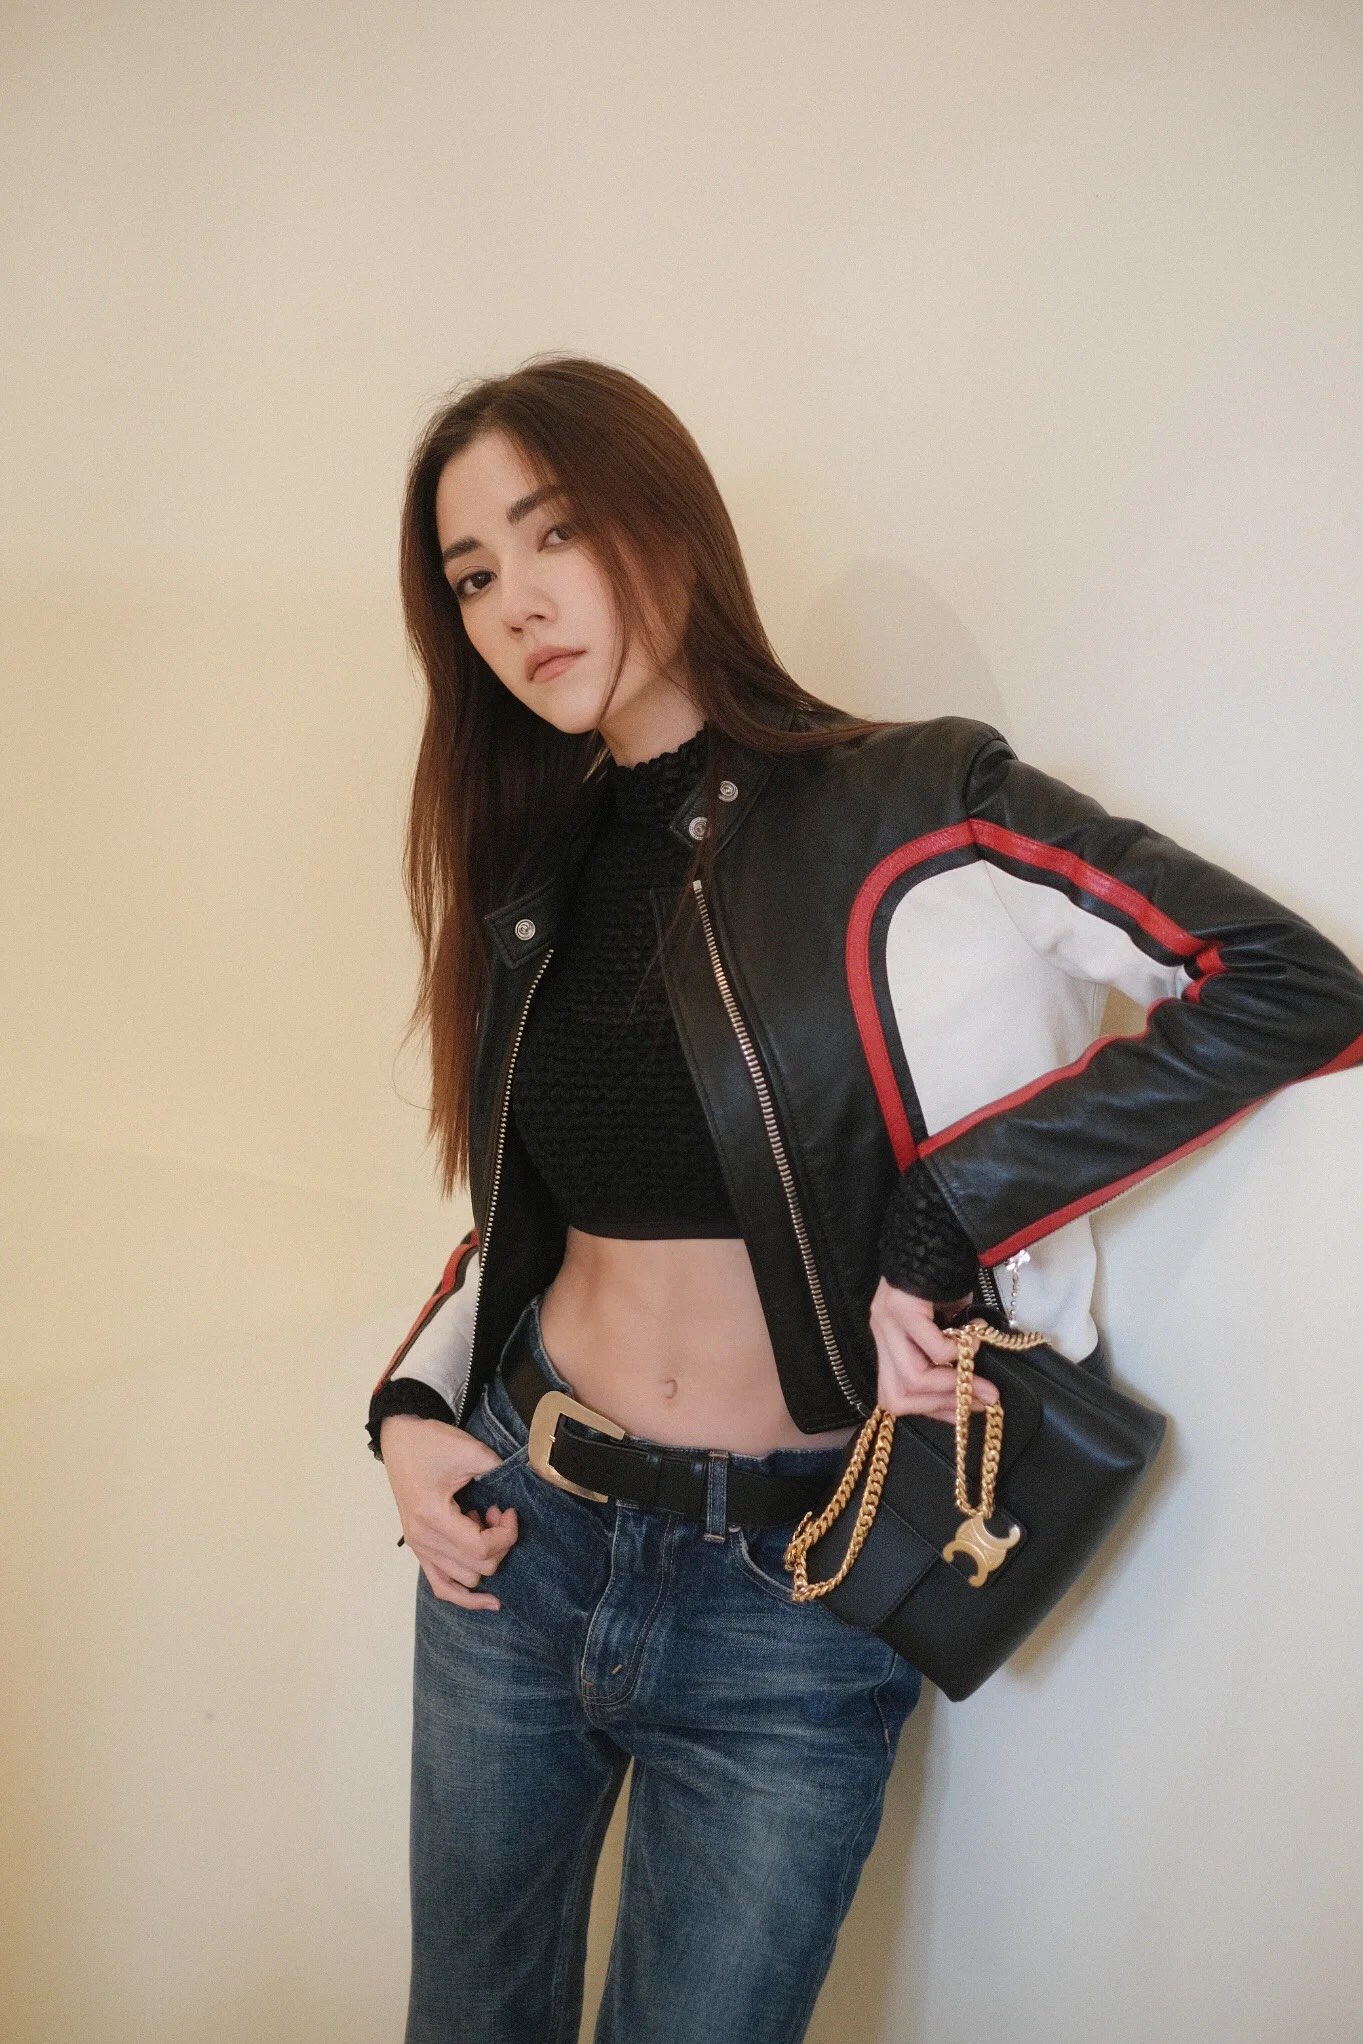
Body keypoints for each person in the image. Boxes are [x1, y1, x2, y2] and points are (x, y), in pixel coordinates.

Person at [366, 355, 1363, 2044]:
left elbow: (1285, 983)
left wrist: (948, 1212)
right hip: (518, 1548)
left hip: (795, 1592)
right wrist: (408, 1409)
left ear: (670, 522)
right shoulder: (535, 872)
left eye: (555, 532)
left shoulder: (911, 804)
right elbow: (533, 1224)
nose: (516, 604)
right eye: (471, 578)